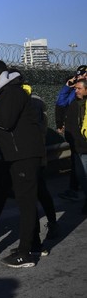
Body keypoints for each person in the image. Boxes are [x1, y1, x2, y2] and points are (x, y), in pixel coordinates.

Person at [0, 60, 45, 268]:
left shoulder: (12, 92)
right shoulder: (9, 92)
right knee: (26, 202)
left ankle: (25, 254)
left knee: (26, 204)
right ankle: (33, 244)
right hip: (18, 155)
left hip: (23, 155)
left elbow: (4, 121)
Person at [56, 65, 87, 201]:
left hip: (82, 138)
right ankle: (74, 189)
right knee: (79, 168)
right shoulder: (75, 92)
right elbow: (61, 103)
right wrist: (68, 86)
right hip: (76, 137)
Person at [63, 78, 87, 214]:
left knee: (84, 176)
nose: (75, 90)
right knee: (81, 176)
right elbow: (60, 102)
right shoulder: (74, 104)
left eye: (79, 88)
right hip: (77, 147)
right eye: (75, 88)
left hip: (82, 147)